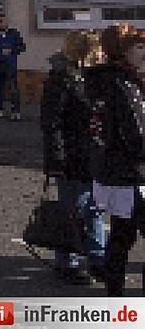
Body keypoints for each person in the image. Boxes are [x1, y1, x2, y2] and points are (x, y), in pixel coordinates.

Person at [40, 30, 105, 285]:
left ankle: (98, 259)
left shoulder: (92, 78)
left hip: (93, 156)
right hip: (71, 157)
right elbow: (51, 123)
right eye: (98, 49)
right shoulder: (62, 79)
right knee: (72, 210)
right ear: (85, 51)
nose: (102, 54)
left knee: (95, 208)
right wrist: (56, 159)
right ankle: (66, 262)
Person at [86, 24, 145, 296]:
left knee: (121, 237)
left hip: (113, 172)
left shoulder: (101, 80)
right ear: (123, 51)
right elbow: (136, 138)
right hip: (129, 175)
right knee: (122, 237)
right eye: (139, 47)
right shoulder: (122, 86)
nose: (143, 53)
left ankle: (114, 298)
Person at [0, 13, 27, 121]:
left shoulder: (13, 33)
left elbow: (22, 47)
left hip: (10, 63)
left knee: (13, 87)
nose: (3, 23)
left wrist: (12, 50)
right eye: (0, 21)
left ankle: (15, 111)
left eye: (4, 21)